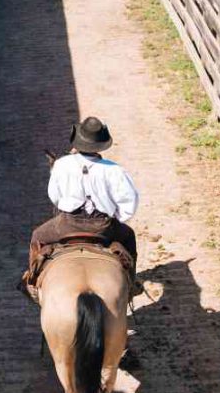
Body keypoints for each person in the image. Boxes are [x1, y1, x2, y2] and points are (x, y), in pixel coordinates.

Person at [21, 117, 141, 301]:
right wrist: (116, 217)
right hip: (103, 226)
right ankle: (131, 283)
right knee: (128, 236)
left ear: (78, 142)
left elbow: (54, 195)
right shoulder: (115, 170)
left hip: (67, 224)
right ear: (102, 145)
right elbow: (129, 202)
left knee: (37, 236)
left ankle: (33, 282)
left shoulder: (62, 165)